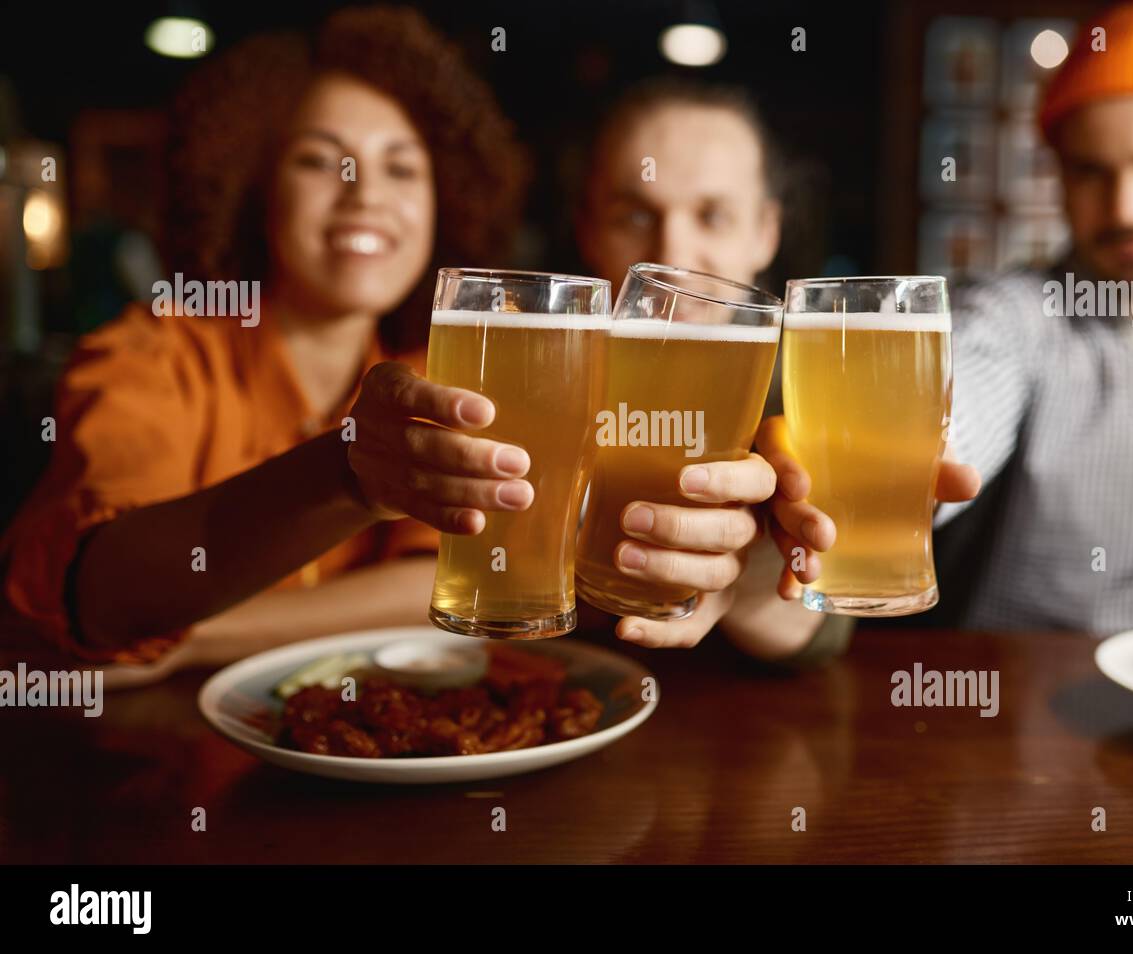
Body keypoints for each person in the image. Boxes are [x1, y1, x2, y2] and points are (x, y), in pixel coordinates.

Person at [0, 9, 779, 675]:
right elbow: (96, 592)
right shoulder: (147, 359)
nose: (365, 192)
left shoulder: (431, 373)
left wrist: (193, 638)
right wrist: (346, 475)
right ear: (251, 186)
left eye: (402, 169)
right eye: (318, 160)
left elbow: (444, 583)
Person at [765, 0, 1133, 633]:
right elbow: (963, 401)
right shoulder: (1014, 315)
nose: (1126, 207)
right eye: (1090, 171)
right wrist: (902, 461)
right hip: (1006, 716)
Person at [573, 78, 981, 661]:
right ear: (588, 229)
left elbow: (817, 631)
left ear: (767, 232)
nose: (674, 254)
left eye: (712, 216)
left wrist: (762, 557)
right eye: (634, 215)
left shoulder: (817, 381)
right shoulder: (534, 360)